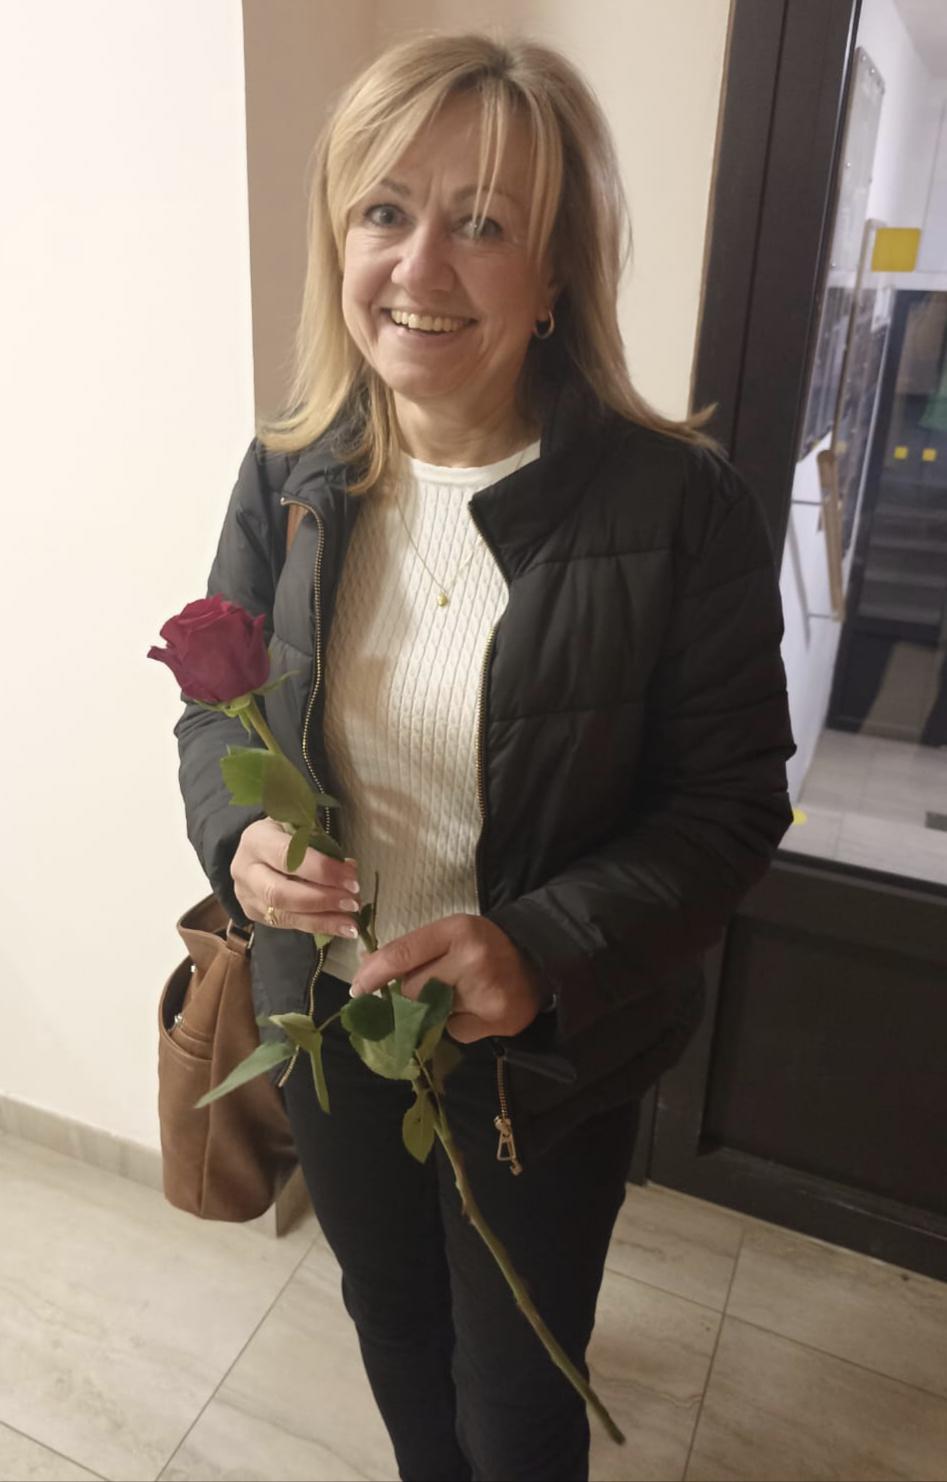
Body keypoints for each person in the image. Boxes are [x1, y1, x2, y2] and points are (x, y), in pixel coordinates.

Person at [174, 31, 795, 1482]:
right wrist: (237, 839)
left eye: (484, 223)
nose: (421, 266)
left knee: (517, 1391)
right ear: (340, 240)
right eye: (385, 212)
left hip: (544, 1063)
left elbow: (728, 803)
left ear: (557, 272)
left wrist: (539, 947)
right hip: (329, 1021)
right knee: (392, 1321)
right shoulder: (291, 471)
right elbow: (214, 714)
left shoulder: (680, 507)